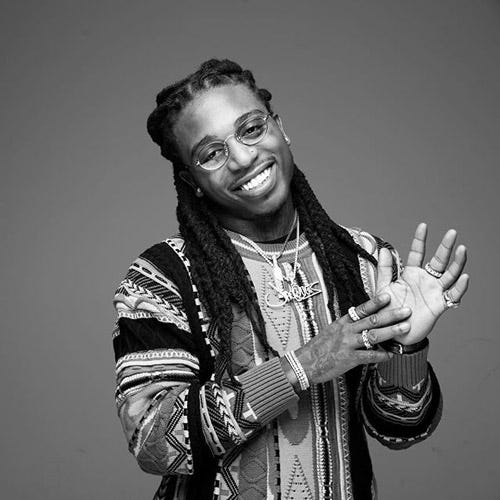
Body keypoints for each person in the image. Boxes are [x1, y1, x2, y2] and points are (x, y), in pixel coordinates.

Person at [112, 59, 469, 500]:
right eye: (212, 153)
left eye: (251, 129)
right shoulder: (162, 277)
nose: (244, 158)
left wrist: (406, 347)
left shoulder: (363, 260)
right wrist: (300, 368)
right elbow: (153, 441)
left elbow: (400, 428)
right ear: (192, 180)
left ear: (280, 128)